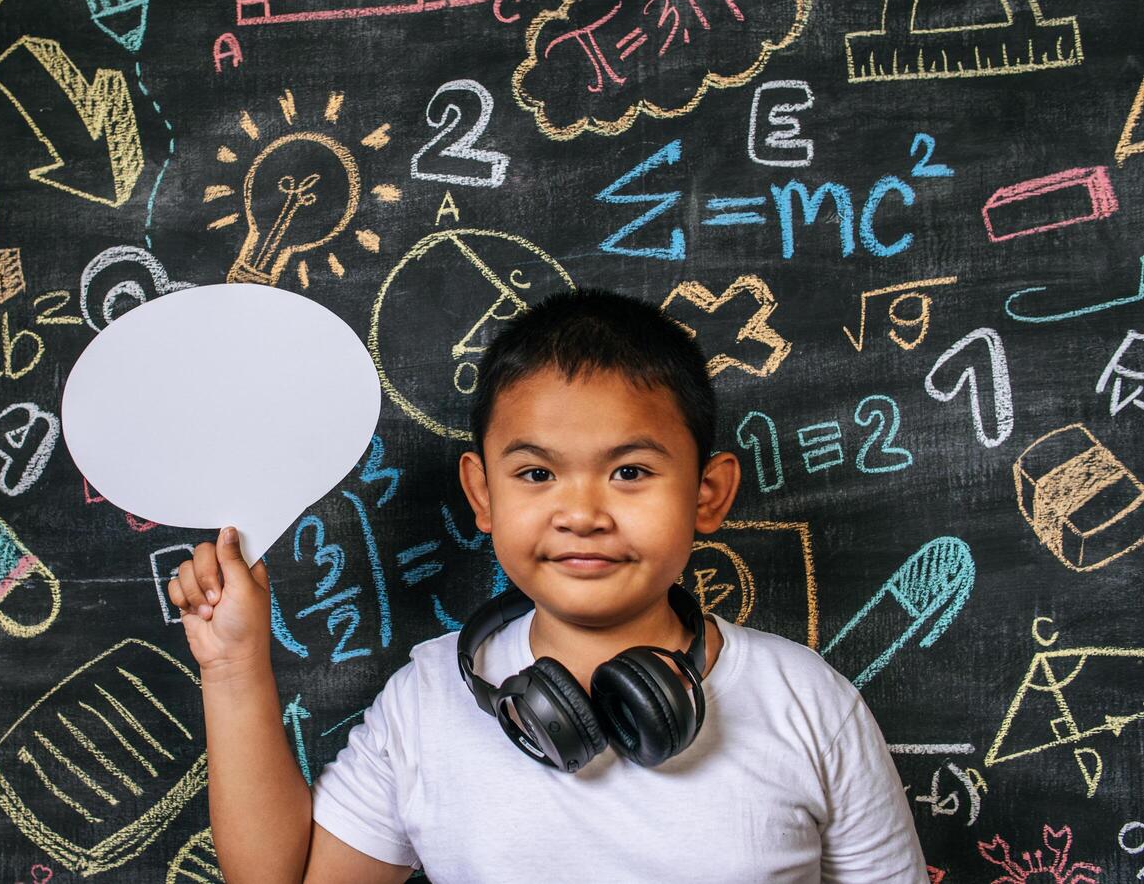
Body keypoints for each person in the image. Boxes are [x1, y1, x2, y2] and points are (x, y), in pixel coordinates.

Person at [167, 288, 927, 883]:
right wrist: (232, 671)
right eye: (536, 474)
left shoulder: (809, 703)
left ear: (707, 494)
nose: (581, 515)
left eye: (630, 472)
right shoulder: (426, 701)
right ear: (483, 493)